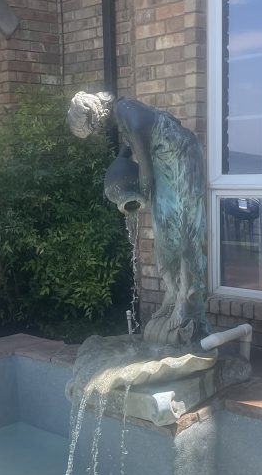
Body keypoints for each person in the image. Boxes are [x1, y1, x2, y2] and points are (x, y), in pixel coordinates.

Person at [68, 92, 209, 347]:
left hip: (184, 159)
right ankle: (172, 293)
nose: (97, 133)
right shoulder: (123, 117)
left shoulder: (129, 114)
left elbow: (143, 165)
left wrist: (141, 197)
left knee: (184, 230)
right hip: (163, 163)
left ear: (95, 117)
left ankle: (184, 303)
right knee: (164, 230)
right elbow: (127, 153)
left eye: (92, 129)